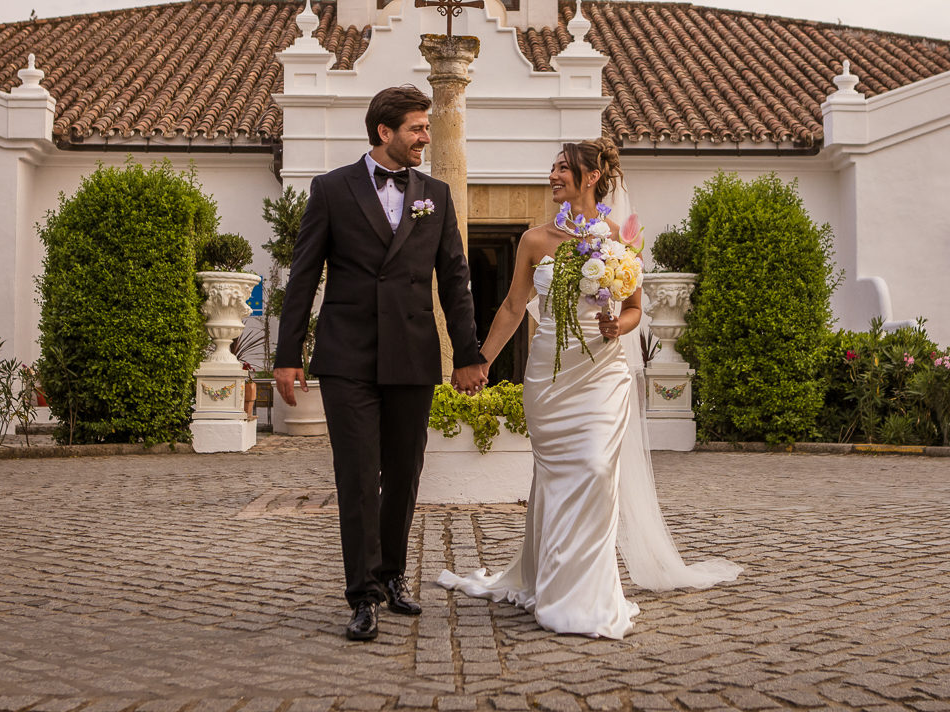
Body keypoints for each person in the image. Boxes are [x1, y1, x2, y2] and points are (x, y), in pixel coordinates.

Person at [437, 139, 740, 638]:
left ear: (591, 176)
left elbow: (635, 308)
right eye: (552, 168)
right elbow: (514, 307)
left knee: (598, 469)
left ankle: (587, 593)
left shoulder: (621, 240)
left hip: (603, 374)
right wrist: (479, 360)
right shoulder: (535, 240)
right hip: (550, 376)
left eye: (562, 168)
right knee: (557, 479)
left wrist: (619, 327)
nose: (553, 175)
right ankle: (552, 581)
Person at [273, 84, 489, 642]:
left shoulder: (437, 195)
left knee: (404, 473)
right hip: (348, 356)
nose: (426, 138)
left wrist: (467, 355)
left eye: (427, 128)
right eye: (418, 128)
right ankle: (363, 595)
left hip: (413, 355)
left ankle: (392, 575)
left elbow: (456, 281)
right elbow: (303, 276)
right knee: (356, 477)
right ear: (384, 133)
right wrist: (287, 355)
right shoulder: (330, 189)